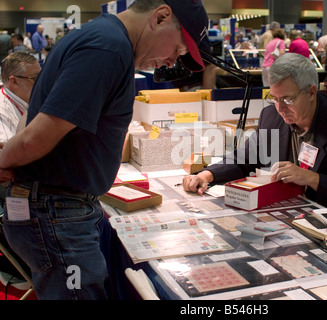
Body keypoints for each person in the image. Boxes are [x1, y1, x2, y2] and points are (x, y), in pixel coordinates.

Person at [0, 0, 208, 300]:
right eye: (176, 49)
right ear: (161, 17)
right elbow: (36, 136)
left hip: (60, 208)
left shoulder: (102, 40)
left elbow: (31, 114)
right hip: (58, 209)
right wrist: (5, 161)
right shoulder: (108, 49)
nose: (170, 61)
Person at [183, 53, 327, 209]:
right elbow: (243, 158)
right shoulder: (272, 117)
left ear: (312, 92)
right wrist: (206, 175)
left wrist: (312, 179)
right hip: (289, 215)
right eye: (275, 98)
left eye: (288, 99)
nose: (280, 108)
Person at [0, 52, 41, 143]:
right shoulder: (2, 110)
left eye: (42, 77)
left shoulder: (30, 99)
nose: (41, 84)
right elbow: (7, 152)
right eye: (35, 78)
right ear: (14, 81)